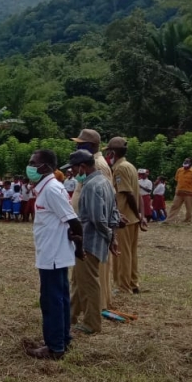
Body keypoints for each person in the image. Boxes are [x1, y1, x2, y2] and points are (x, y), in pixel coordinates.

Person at [24, 149, 83, 360]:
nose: (30, 167)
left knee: (52, 301)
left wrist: (80, 248)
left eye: (33, 163)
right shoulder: (47, 188)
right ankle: (62, 339)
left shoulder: (51, 190)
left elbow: (74, 221)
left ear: (46, 167)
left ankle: (55, 347)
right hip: (52, 252)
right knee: (60, 298)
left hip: (53, 254)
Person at [64, 150, 120, 335]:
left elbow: (98, 219)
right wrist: (112, 237)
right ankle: (70, 316)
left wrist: (109, 236)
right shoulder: (105, 182)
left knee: (89, 283)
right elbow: (114, 213)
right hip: (96, 242)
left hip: (89, 242)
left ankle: (92, 323)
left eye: (74, 168)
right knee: (80, 281)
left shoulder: (91, 186)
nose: (72, 172)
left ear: (82, 167)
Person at [70, 128, 115, 310]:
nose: (77, 147)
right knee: (80, 276)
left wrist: (110, 234)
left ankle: (97, 308)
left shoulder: (98, 165)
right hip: (84, 228)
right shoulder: (87, 163)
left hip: (93, 232)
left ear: (92, 145)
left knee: (92, 275)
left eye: (81, 144)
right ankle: (76, 310)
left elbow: (104, 201)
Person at [104, 137, 145, 295]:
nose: (107, 155)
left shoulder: (120, 168)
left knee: (122, 254)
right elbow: (137, 193)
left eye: (108, 152)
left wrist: (136, 213)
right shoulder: (130, 166)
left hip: (124, 219)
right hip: (132, 218)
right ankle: (133, 283)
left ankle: (123, 286)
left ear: (113, 152)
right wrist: (139, 215)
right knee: (131, 253)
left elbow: (128, 193)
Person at [165, 157, 192, 223]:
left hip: (189, 193)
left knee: (189, 208)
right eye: (185, 161)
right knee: (174, 206)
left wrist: (191, 189)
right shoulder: (179, 170)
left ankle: (188, 220)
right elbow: (176, 180)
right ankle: (169, 220)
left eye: (187, 161)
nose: (185, 162)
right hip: (179, 192)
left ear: (191, 163)